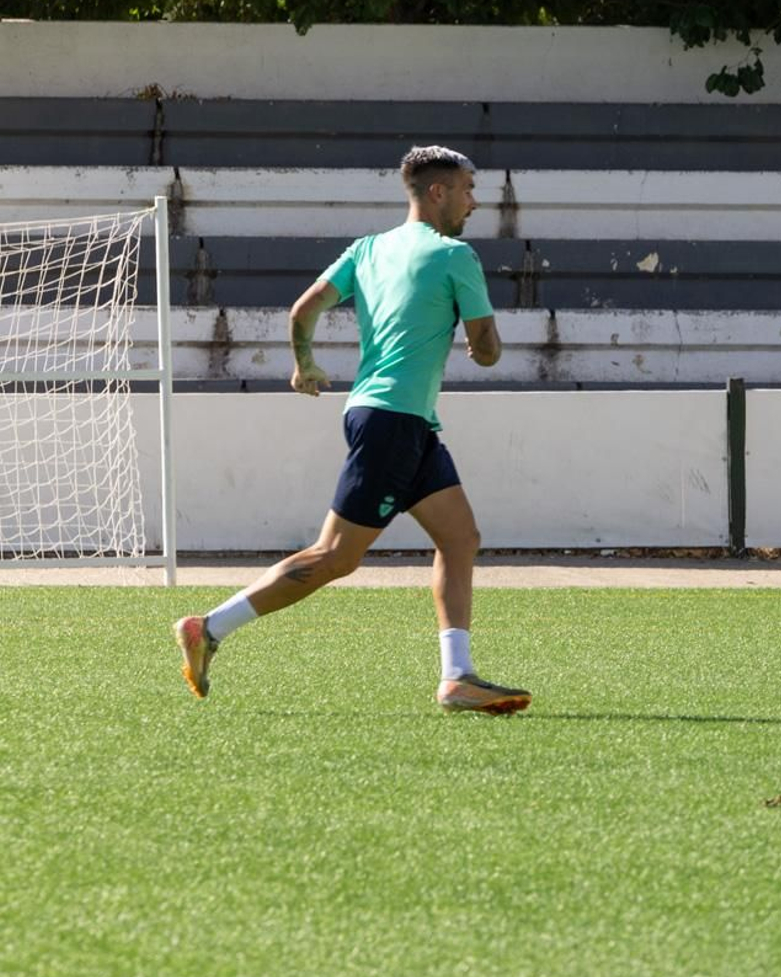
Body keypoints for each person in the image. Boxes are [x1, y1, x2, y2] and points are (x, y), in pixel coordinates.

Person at [173, 145, 530, 714]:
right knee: (336, 556)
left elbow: (302, 310)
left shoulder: (367, 249)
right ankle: (209, 627)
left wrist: (304, 363)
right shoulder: (454, 256)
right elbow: (487, 353)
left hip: (397, 419)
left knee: (460, 538)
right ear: (437, 192)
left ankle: (458, 677)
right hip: (393, 420)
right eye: (466, 188)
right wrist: (478, 337)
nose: (474, 200)